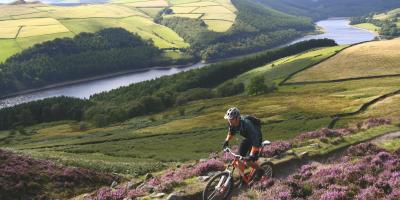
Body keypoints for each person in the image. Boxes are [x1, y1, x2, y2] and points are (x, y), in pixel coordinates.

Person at [222, 107, 265, 180]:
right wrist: (226, 141)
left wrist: (251, 155)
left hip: (256, 139)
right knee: (238, 158)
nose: (229, 121)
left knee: (248, 162)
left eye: (231, 119)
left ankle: (260, 170)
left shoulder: (247, 124)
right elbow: (231, 132)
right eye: (229, 119)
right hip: (248, 139)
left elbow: (255, 140)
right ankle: (242, 178)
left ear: (237, 118)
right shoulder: (232, 123)